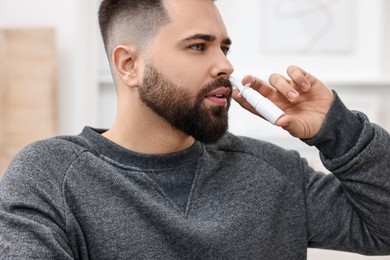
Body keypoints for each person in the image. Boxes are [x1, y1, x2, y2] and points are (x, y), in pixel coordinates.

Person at [0, 0, 389, 259]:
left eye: (225, 48)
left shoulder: (277, 172)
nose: (225, 66)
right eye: (198, 46)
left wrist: (340, 131)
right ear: (128, 65)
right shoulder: (50, 176)